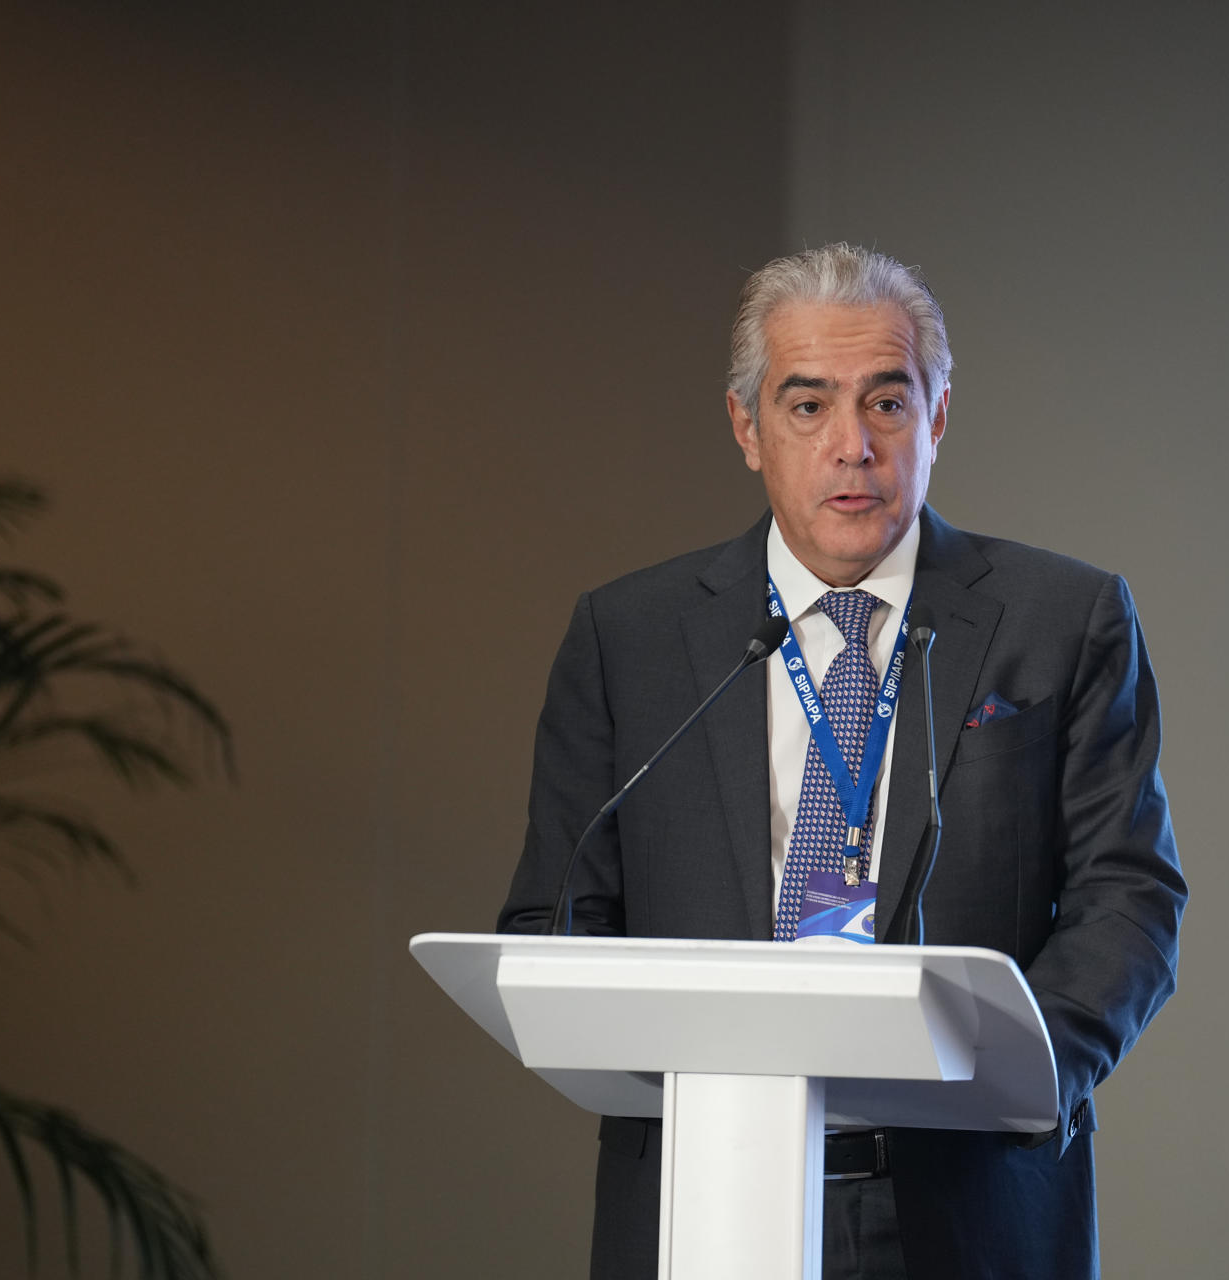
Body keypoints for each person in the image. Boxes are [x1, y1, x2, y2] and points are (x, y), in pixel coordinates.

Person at [497, 243, 1186, 1280]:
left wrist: (998, 1071)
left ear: (939, 414)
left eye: (888, 403)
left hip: (974, 1196)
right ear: (746, 427)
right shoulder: (628, 636)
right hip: (703, 1190)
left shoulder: (1062, 619)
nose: (852, 445)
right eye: (808, 405)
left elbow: (1129, 897)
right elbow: (556, 919)